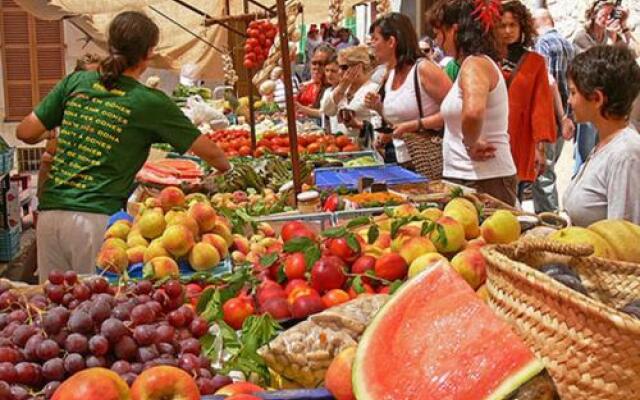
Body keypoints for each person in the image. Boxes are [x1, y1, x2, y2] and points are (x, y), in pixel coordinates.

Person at [16, 11, 230, 281]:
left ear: (110, 44)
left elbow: (25, 131)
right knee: (93, 309)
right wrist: (226, 170)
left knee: (54, 309)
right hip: (95, 222)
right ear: (149, 53)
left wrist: (61, 132)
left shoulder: (76, 83)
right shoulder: (149, 101)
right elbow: (213, 154)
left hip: (50, 216)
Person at [427, 0, 518, 206]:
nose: (437, 41)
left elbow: (473, 112)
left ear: (454, 30)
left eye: (438, 33)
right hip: (472, 177)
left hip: (482, 179)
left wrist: (471, 142)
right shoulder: (472, 64)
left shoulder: (474, 64)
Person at [364, 13, 451, 173]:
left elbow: (455, 110)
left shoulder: (423, 69)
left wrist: (415, 125)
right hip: (400, 162)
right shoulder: (390, 74)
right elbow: (399, 119)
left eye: (375, 39)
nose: (372, 44)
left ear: (391, 42)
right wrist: (378, 108)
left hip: (427, 162)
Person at [563, 45, 640, 225]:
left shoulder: (625, 155)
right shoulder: (605, 143)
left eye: (573, 92)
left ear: (597, 99)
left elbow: (622, 237)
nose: (569, 101)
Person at [498, 1, 556, 202]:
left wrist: (539, 149)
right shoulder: (487, 59)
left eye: (512, 25)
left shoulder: (535, 62)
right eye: (502, 25)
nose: (507, 30)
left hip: (519, 137)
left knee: (514, 199)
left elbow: (540, 107)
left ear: (522, 27)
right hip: (490, 137)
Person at [572, 0, 636, 173]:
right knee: (585, 150)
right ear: (594, 14)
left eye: (611, 14)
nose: (607, 18)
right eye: (604, 14)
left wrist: (623, 26)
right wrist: (611, 40)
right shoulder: (582, 37)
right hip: (589, 99)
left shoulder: (613, 34)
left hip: (609, 101)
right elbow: (596, 67)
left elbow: (634, 52)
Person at [37, 54, 104, 200]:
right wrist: (50, 135)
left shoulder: (107, 101)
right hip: (60, 174)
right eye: (89, 77)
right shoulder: (69, 97)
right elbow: (35, 133)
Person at [532, 8, 576, 212]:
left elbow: (545, 82)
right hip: (565, 115)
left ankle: (549, 219)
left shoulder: (542, 44)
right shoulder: (568, 43)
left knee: (544, 174)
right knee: (550, 169)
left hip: (548, 117)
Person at [322, 46, 379, 145]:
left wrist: (359, 125)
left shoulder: (374, 89)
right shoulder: (343, 88)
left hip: (365, 149)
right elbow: (327, 110)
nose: (340, 72)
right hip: (342, 147)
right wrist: (342, 86)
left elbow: (380, 126)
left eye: (344, 67)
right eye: (339, 67)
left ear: (359, 67)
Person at [296, 44, 335, 121]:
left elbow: (325, 114)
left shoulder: (334, 89)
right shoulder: (305, 86)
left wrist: (302, 109)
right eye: (314, 63)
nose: (316, 67)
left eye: (321, 64)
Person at [319, 54, 347, 134]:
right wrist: (302, 108)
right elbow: (322, 112)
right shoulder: (327, 91)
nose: (329, 74)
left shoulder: (346, 92)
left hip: (342, 136)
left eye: (333, 71)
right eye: (327, 70)